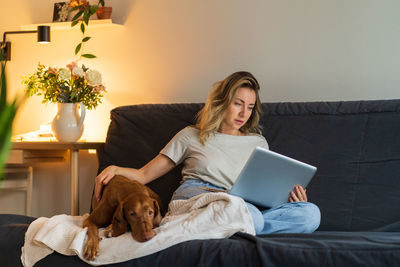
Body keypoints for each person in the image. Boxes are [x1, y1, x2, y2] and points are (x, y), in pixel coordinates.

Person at [95, 71, 321, 235]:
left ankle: (235, 227)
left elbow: (263, 189)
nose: (244, 113)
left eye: (250, 107)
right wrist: (115, 168)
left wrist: (290, 199)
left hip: (241, 204)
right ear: (222, 103)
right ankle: (238, 224)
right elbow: (144, 174)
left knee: (310, 214)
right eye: (238, 103)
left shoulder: (258, 142)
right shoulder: (191, 135)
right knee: (248, 215)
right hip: (198, 197)